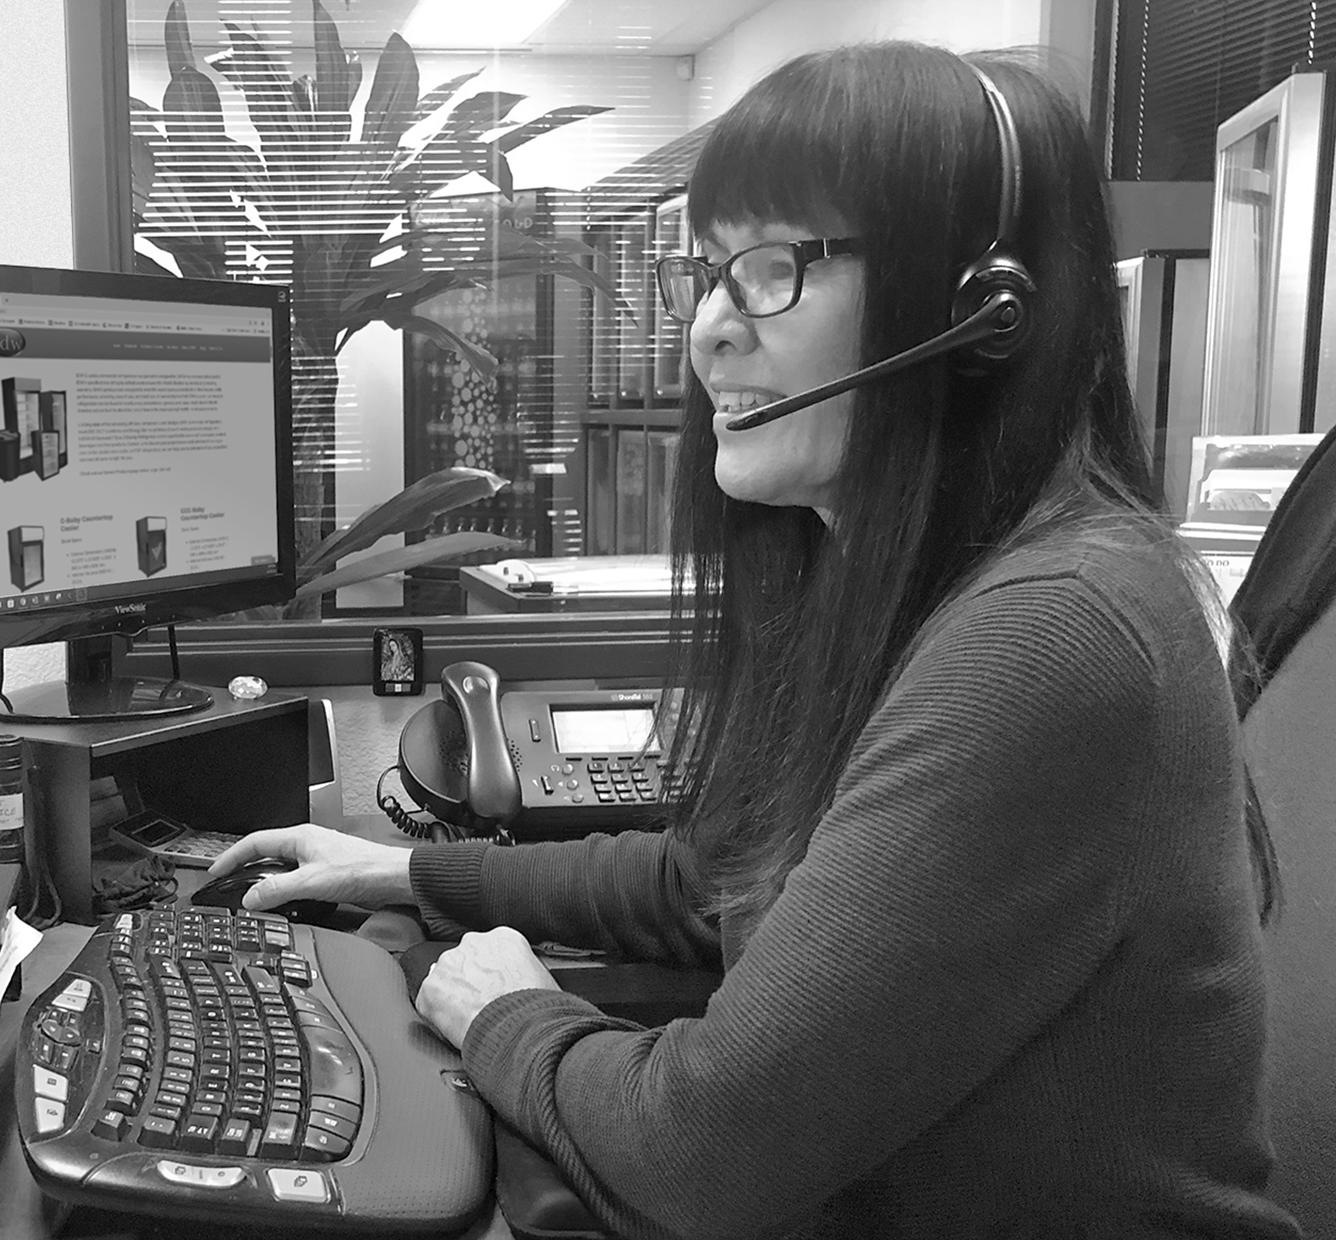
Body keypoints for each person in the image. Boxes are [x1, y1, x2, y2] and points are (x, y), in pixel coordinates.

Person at [207, 41, 1300, 1240]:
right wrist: (408, 872)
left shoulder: (1051, 637)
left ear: (980, 307)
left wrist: (508, 1011)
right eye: (711, 274)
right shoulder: (906, 592)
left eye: (772, 268)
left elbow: (704, 1154)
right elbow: (711, 880)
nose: (707, 336)